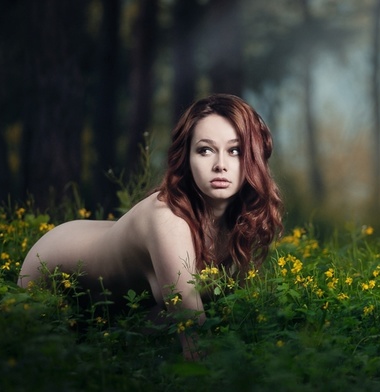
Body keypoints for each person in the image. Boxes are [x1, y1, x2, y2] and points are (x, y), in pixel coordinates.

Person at [18, 94, 283, 360]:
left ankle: (112, 348)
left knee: (147, 344)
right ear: (186, 159)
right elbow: (196, 339)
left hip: (113, 305)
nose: (220, 165)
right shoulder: (167, 221)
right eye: (205, 150)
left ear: (253, 157)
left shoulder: (237, 219)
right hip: (51, 271)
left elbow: (218, 313)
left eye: (234, 150)